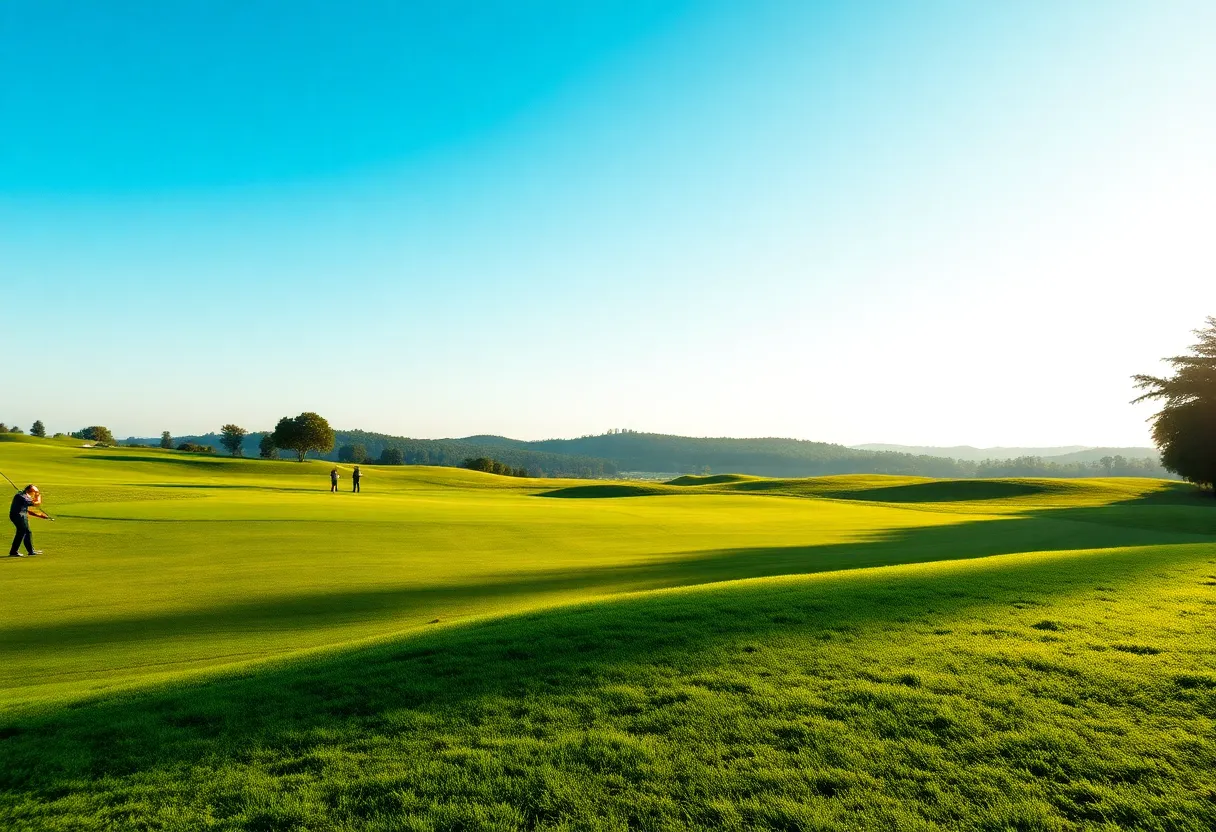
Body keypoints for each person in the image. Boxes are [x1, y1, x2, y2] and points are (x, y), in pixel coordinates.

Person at [9, 485, 49, 557]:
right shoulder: (22, 496)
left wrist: (39, 515)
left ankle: (31, 551)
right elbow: (36, 503)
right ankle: (13, 551)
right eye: (34, 492)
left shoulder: (25, 496)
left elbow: (26, 510)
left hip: (21, 515)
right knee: (22, 532)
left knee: (27, 532)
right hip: (18, 516)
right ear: (30, 491)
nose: (34, 493)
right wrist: (38, 496)